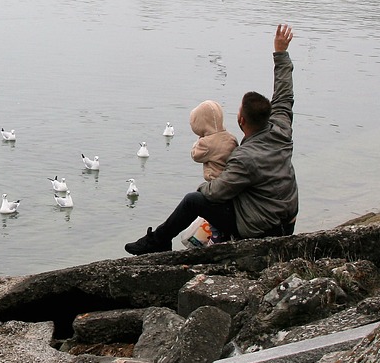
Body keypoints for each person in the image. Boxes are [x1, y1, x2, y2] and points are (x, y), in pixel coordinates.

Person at [126, 24, 298, 254]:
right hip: (288, 222)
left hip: (264, 229)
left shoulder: (244, 158)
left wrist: (203, 186)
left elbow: (216, 192)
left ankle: (158, 241)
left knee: (193, 200)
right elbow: (284, 92)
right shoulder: (281, 128)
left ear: (242, 121)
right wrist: (280, 53)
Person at [181, 99, 240, 246]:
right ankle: (224, 235)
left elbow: (196, 155)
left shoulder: (206, 143)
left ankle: (215, 237)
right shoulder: (230, 138)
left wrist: (199, 141)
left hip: (215, 184)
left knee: (210, 211)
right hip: (229, 184)